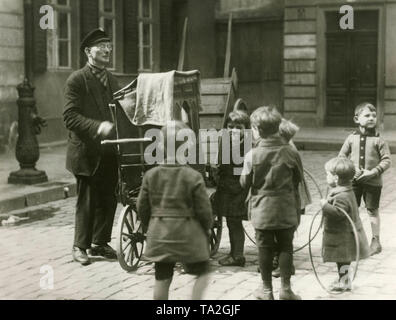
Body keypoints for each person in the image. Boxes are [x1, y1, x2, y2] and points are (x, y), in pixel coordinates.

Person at [137, 121, 213, 300]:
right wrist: (206, 228)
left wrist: (150, 225)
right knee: (203, 272)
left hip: (160, 235)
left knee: (162, 278)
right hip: (188, 236)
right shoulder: (193, 177)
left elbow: (142, 206)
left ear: (161, 146)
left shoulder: (150, 175)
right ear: (187, 148)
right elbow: (204, 209)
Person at [63, 28, 119, 265]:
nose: (107, 50)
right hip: (86, 151)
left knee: (109, 197)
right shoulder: (77, 79)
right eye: (102, 46)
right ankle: (80, 246)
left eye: (109, 45)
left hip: (109, 150)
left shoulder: (113, 80)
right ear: (88, 51)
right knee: (87, 200)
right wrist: (99, 126)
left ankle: (100, 242)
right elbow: (69, 116)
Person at [240, 106, 303, 300]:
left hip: (262, 209)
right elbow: (298, 178)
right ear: (278, 127)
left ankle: (266, 290)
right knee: (286, 246)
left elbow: (244, 182)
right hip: (286, 207)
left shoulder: (252, 155)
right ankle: (286, 290)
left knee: (264, 248)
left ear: (257, 130)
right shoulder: (291, 152)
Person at [339, 102, 391, 256]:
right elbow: (341, 156)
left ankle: (376, 241)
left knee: (372, 210)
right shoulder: (350, 138)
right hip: (353, 182)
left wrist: (373, 172)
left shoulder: (379, 141)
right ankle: (352, 240)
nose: (371, 118)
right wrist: (351, 169)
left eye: (374, 116)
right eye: (367, 115)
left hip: (373, 183)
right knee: (352, 210)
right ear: (357, 119)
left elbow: (387, 160)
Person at [320, 157, 370, 292]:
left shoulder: (341, 195)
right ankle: (344, 279)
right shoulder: (347, 190)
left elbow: (338, 213)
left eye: (327, 174)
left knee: (342, 259)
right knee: (343, 260)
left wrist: (325, 206)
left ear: (336, 178)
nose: (326, 177)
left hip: (342, 236)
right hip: (346, 233)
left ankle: (344, 282)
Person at [212, 110, 250, 267]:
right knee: (231, 222)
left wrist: (226, 171)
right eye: (230, 127)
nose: (233, 130)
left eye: (238, 127)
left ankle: (237, 255)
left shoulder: (246, 146)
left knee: (235, 222)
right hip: (227, 188)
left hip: (237, 189)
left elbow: (242, 169)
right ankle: (235, 253)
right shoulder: (226, 142)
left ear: (245, 129)